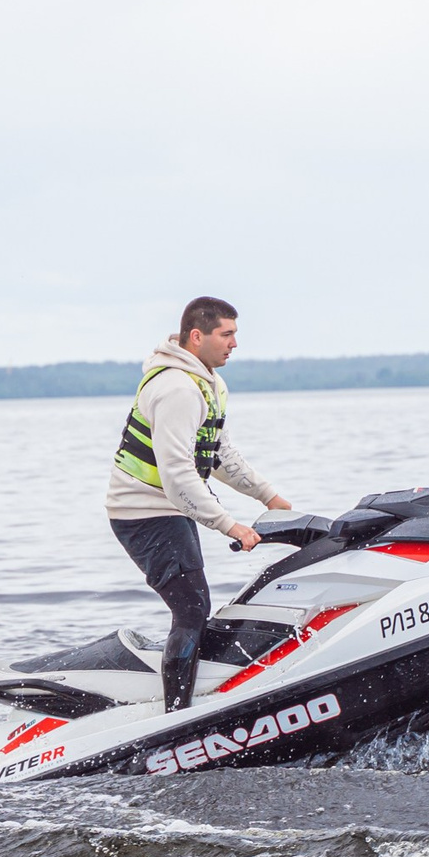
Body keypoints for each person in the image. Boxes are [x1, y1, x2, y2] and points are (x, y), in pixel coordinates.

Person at [105, 296, 294, 712]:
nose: (234, 344)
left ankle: (199, 692)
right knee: (192, 608)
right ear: (197, 336)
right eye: (226, 334)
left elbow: (220, 455)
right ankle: (176, 715)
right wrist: (231, 526)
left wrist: (269, 497)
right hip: (142, 514)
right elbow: (177, 477)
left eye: (235, 335)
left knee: (197, 604)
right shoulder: (175, 390)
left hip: (171, 507)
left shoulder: (208, 383)